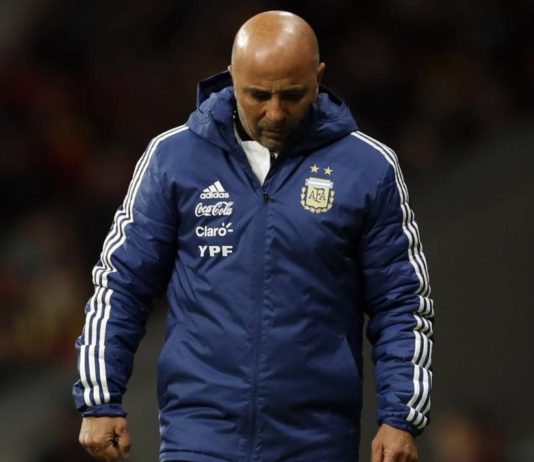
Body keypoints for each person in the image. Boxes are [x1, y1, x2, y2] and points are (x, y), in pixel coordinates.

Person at [74, 10, 433, 462]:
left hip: (317, 440)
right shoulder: (173, 159)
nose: (275, 113)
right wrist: (100, 398)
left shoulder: (368, 168)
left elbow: (401, 302)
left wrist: (401, 415)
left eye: (293, 95)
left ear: (319, 78)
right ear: (232, 77)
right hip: (200, 435)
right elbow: (122, 282)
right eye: (258, 95)